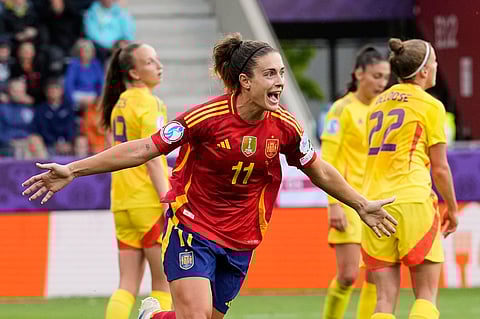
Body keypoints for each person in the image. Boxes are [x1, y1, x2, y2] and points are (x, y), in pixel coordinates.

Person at [21, 33, 398, 319]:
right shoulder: (204, 118)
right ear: (245, 81)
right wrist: (73, 169)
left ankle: (153, 315)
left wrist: (361, 204)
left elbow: (317, 168)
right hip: (193, 228)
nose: (280, 82)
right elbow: (142, 148)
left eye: (281, 73)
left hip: (242, 239)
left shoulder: (285, 126)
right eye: (270, 74)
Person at [361, 38, 458, 319]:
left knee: (383, 302)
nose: (437, 67)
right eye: (435, 62)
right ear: (424, 71)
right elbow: (439, 168)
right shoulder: (431, 105)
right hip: (412, 200)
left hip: (375, 205)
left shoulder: (376, 104)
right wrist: (451, 208)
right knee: (426, 296)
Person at [320, 46, 391, 319]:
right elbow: (329, 158)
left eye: (385, 77)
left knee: (375, 276)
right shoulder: (341, 109)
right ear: (358, 74)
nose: (381, 82)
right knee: (348, 275)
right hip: (349, 201)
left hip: (378, 199)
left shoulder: (386, 108)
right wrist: (334, 204)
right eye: (376, 75)